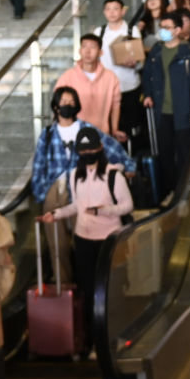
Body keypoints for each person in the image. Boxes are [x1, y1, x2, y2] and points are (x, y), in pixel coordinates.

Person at [39, 127, 133, 354]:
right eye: (84, 151)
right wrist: (56, 214)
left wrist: (103, 210)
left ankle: (115, 338)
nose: (88, 154)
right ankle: (93, 341)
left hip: (110, 240)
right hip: (83, 240)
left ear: (100, 149)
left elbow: (127, 206)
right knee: (88, 291)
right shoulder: (75, 176)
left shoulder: (114, 175)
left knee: (112, 290)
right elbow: (77, 206)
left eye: (91, 150)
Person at [32, 86, 135, 285]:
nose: (68, 105)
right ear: (55, 106)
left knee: (82, 239)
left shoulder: (87, 130)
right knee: (57, 245)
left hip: (82, 188)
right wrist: (41, 194)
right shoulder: (47, 134)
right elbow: (39, 165)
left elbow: (113, 148)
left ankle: (87, 285)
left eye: (72, 102)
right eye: (63, 102)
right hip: (54, 189)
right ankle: (65, 285)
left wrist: (127, 166)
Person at [141, 12, 190, 200]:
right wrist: (147, 94)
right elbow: (147, 75)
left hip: (182, 112)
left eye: (167, 27)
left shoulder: (187, 53)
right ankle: (168, 193)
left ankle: (182, 192)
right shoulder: (156, 51)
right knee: (165, 154)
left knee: (184, 154)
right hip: (161, 111)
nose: (163, 31)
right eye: (161, 27)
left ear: (178, 30)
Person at [53, 33, 122, 139]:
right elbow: (57, 104)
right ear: (79, 51)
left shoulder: (111, 77)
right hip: (73, 134)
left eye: (93, 47)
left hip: (101, 134)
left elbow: (115, 105)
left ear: (101, 52)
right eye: (84, 46)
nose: (87, 51)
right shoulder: (67, 77)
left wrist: (115, 129)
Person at [95, 0, 143, 143]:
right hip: (106, 87)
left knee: (129, 125)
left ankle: (131, 152)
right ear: (104, 12)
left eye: (115, 9)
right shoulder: (99, 32)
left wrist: (134, 63)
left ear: (122, 11)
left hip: (129, 85)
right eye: (108, 9)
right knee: (108, 126)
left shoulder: (132, 30)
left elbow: (140, 58)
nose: (112, 12)